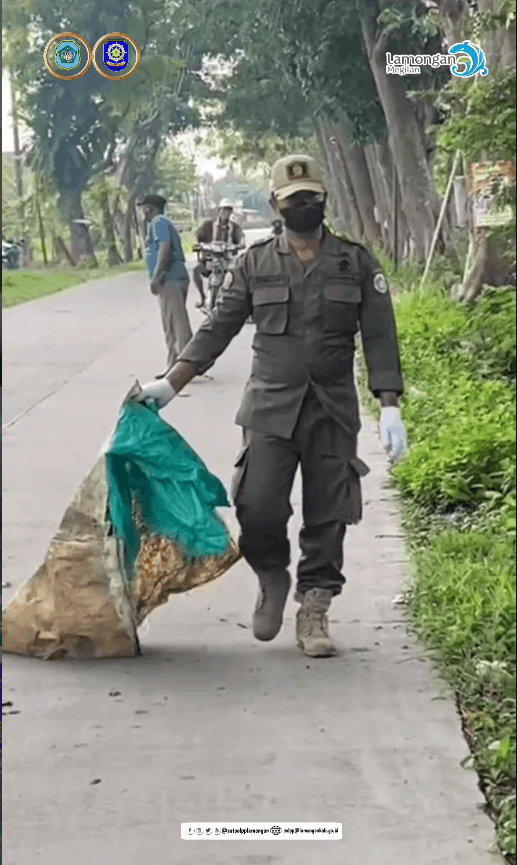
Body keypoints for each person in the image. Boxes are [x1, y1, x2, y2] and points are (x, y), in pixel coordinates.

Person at [136, 154, 408, 658]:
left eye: (311, 197)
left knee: (329, 512)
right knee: (257, 506)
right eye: (293, 199)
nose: (303, 205)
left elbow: (379, 335)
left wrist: (389, 403)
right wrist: (171, 384)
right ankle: (271, 574)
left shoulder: (355, 263)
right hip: (269, 406)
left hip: (331, 409)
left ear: (323, 200)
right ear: (274, 205)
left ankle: (315, 605)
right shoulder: (254, 263)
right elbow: (218, 327)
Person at [137, 193, 193, 380]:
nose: (142, 212)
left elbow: (165, 247)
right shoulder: (159, 223)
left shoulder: (159, 222)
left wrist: (157, 276)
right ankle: (177, 363)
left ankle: (184, 366)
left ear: (149, 208)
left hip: (170, 279)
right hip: (171, 278)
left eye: (143, 208)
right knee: (173, 323)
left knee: (176, 325)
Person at [192, 198, 246, 310]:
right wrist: (199, 245)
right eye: (224, 210)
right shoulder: (208, 225)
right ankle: (202, 297)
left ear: (231, 212)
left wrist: (238, 246)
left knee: (241, 274)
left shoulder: (235, 227)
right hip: (209, 260)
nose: (226, 213)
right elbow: (197, 237)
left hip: (227, 260)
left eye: (228, 210)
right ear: (219, 211)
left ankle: (237, 301)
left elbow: (242, 240)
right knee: (196, 270)